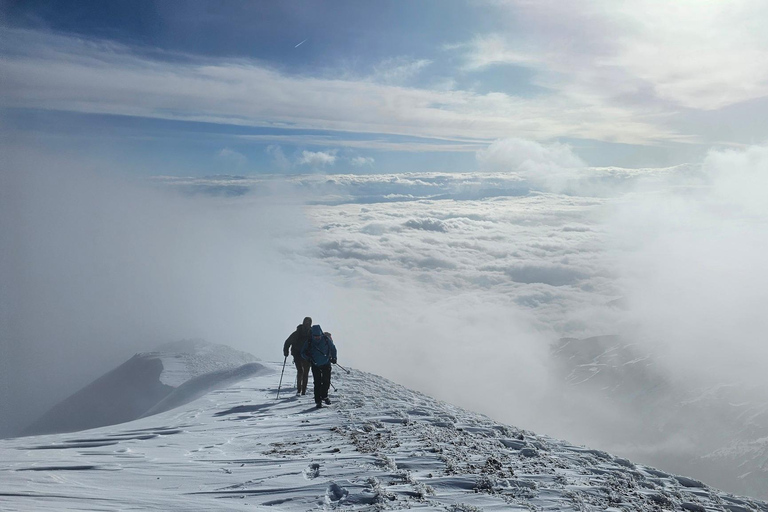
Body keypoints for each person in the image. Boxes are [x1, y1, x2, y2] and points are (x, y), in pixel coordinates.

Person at [302, 324, 337, 408]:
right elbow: (302, 352)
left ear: (321, 334)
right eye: (315, 336)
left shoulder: (326, 339)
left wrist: (334, 358)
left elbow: (333, 348)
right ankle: (318, 400)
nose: (317, 337)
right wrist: (308, 358)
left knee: (326, 381)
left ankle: (324, 396)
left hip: (326, 363)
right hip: (315, 364)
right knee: (317, 382)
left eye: (318, 336)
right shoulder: (309, 341)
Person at [283, 317, 312, 395]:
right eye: (307, 322)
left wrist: (286, 351)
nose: (307, 324)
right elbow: (288, 342)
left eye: (308, 322)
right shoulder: (307, 333)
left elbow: (288, 342)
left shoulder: (299, 332)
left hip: (301, 355)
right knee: (303, 372)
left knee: (302, 372)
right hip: (302, 355)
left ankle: (301, 390)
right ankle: (301, 390)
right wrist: (286, 351)